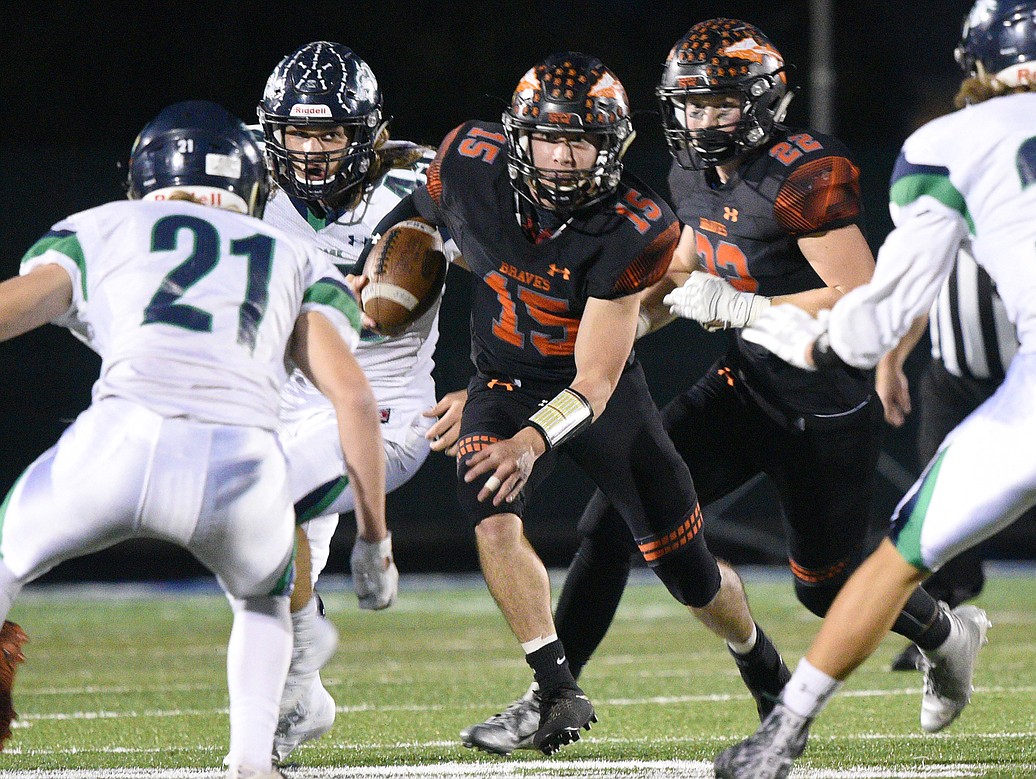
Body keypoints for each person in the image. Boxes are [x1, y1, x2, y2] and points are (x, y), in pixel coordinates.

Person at [459, 18, 989, 756]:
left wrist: (742, 306)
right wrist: (605, 336)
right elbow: (674, 284)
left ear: (763, 102)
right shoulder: (684, 177)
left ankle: (946, 632)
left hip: (823, 405)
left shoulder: (799, 174)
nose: (702, 120)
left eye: (719, 105)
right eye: (690, 105)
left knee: (824, 586)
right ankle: (553, 695)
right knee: (612, 526)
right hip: (743, 386)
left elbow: (864, 292)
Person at [719, 2, 1036, 777]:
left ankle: (781, 734)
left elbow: (886, 309)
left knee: (897, 561)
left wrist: (828, 341)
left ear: (984, 59)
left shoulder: (952, 141)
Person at [369, 51, 786, 756]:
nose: (563, 158)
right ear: (517, 137)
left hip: (598, 393)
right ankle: (555, 688)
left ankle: (765, 667)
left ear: (612, 146)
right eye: (551, 138)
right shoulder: (468, 163)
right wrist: (386, 261)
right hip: (499, 382)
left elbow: (593, 379)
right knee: (491, 513)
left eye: (583, 140)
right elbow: (419, 214)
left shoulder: (633, 224)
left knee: (691, 575)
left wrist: (531, 441)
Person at [0, 101, 395, 779]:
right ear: (250, 186)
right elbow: (355, 397)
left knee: (5, 558)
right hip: (239, 464)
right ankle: (250, 761)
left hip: (115, 445)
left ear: (143, 177)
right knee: (266, 604)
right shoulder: (294, 253)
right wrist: (375, 542)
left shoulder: (105, 226)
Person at [255, 41, 465, 761]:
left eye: (331, 132)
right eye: (297, 132)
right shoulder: (251, 185)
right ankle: (299, 687)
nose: (311, 150)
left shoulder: (421, 185)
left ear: (366, 134)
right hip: (284, 409)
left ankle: (308, 660)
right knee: (252, 543)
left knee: (265, 502)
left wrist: (497, 383)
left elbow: (516, 276)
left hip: (385, 413)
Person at [877, 247, 1036, 672]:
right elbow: (917, 292)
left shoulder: (1031, 204)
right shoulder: (943, 207)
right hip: (956, 385)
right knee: (940, 506)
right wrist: (891, 362)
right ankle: (937, 629)